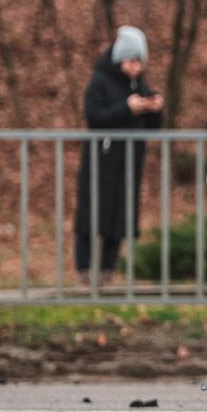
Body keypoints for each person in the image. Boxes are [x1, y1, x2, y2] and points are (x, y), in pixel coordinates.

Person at [74, 25, 164, 287]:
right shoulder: (99, 81)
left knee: (118, 217)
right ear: (120, 58)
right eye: (132, 60)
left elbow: (153, 128)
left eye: (140, 62)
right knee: (91, 216)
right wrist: (127, 108)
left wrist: (155, 109)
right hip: (100, 162)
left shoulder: (139, 84)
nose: (136, 67)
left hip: (128, 164)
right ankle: (83, 271)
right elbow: (94, 117)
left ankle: (107, 273)